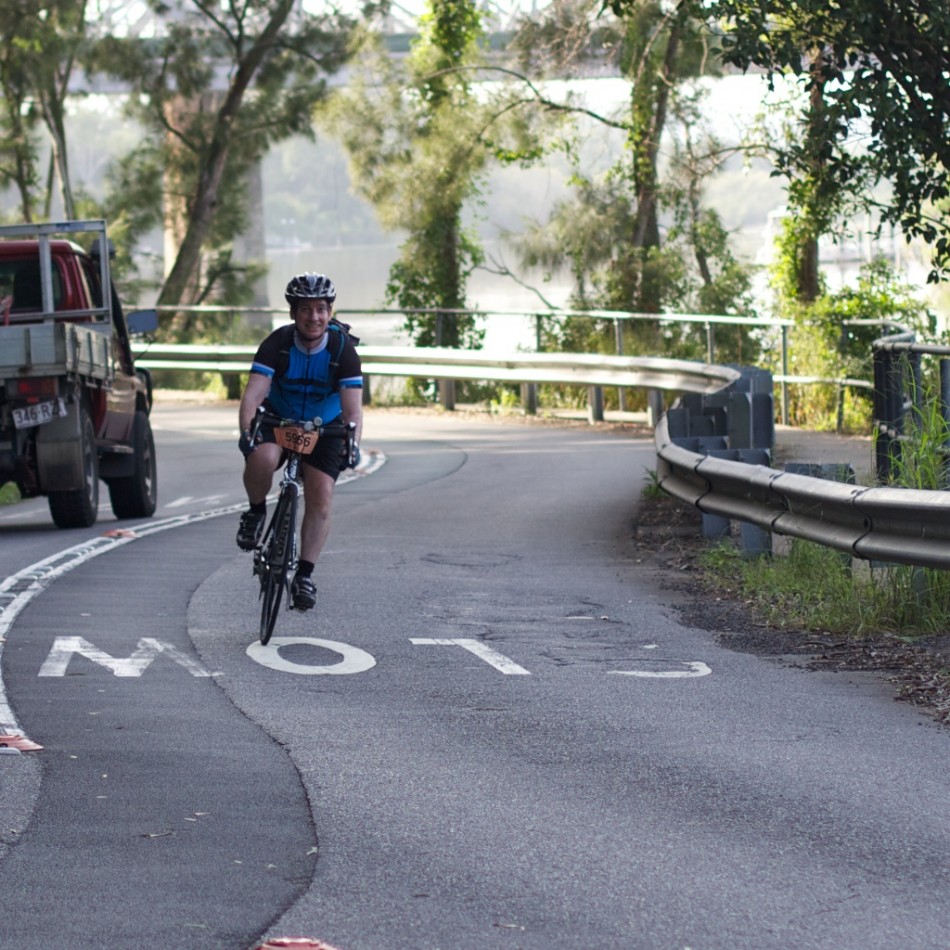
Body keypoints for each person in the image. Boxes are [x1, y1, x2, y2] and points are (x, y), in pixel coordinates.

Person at [235, 272, 362, 611]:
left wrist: (353, 442)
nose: (314, 317)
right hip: (279, 417)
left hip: (325, 427)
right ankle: (256, 512)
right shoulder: (276, 343)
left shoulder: (342, 349)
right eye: (305, 309)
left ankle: (304, 575)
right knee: (260, 458)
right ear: (293, 313)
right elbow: (253, 395)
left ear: (330, 312)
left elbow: (353, 410)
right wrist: (247, 432)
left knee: (321, 495)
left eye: (321, 309)